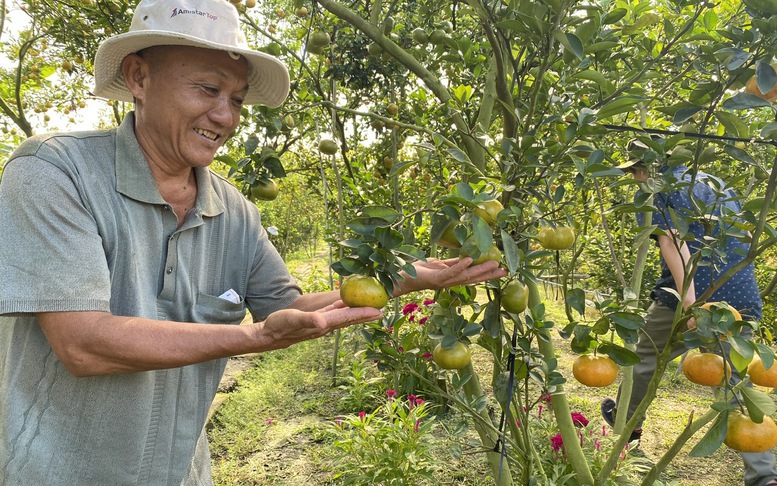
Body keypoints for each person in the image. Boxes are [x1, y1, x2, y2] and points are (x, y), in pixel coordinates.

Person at [0, 0, 508, 484]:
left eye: (237, 99)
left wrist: (398, 281)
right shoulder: (55, 172)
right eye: (206, 89)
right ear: (138, 77)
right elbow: (83, 344)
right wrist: (251, 339)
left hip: (180, 472)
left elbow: (284, 307)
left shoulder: (234, 210)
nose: (226, 116)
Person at [601, 139, 777, 486]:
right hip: (741, 292)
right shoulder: (714, 183)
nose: (635, 177)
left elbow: (672, 242)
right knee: (734, 381)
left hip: (693, 291)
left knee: (645, 357)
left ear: (646, 167)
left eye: (635, 170)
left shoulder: (654, 190)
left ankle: (626, 428)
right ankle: (765, 476)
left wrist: (691, 303)